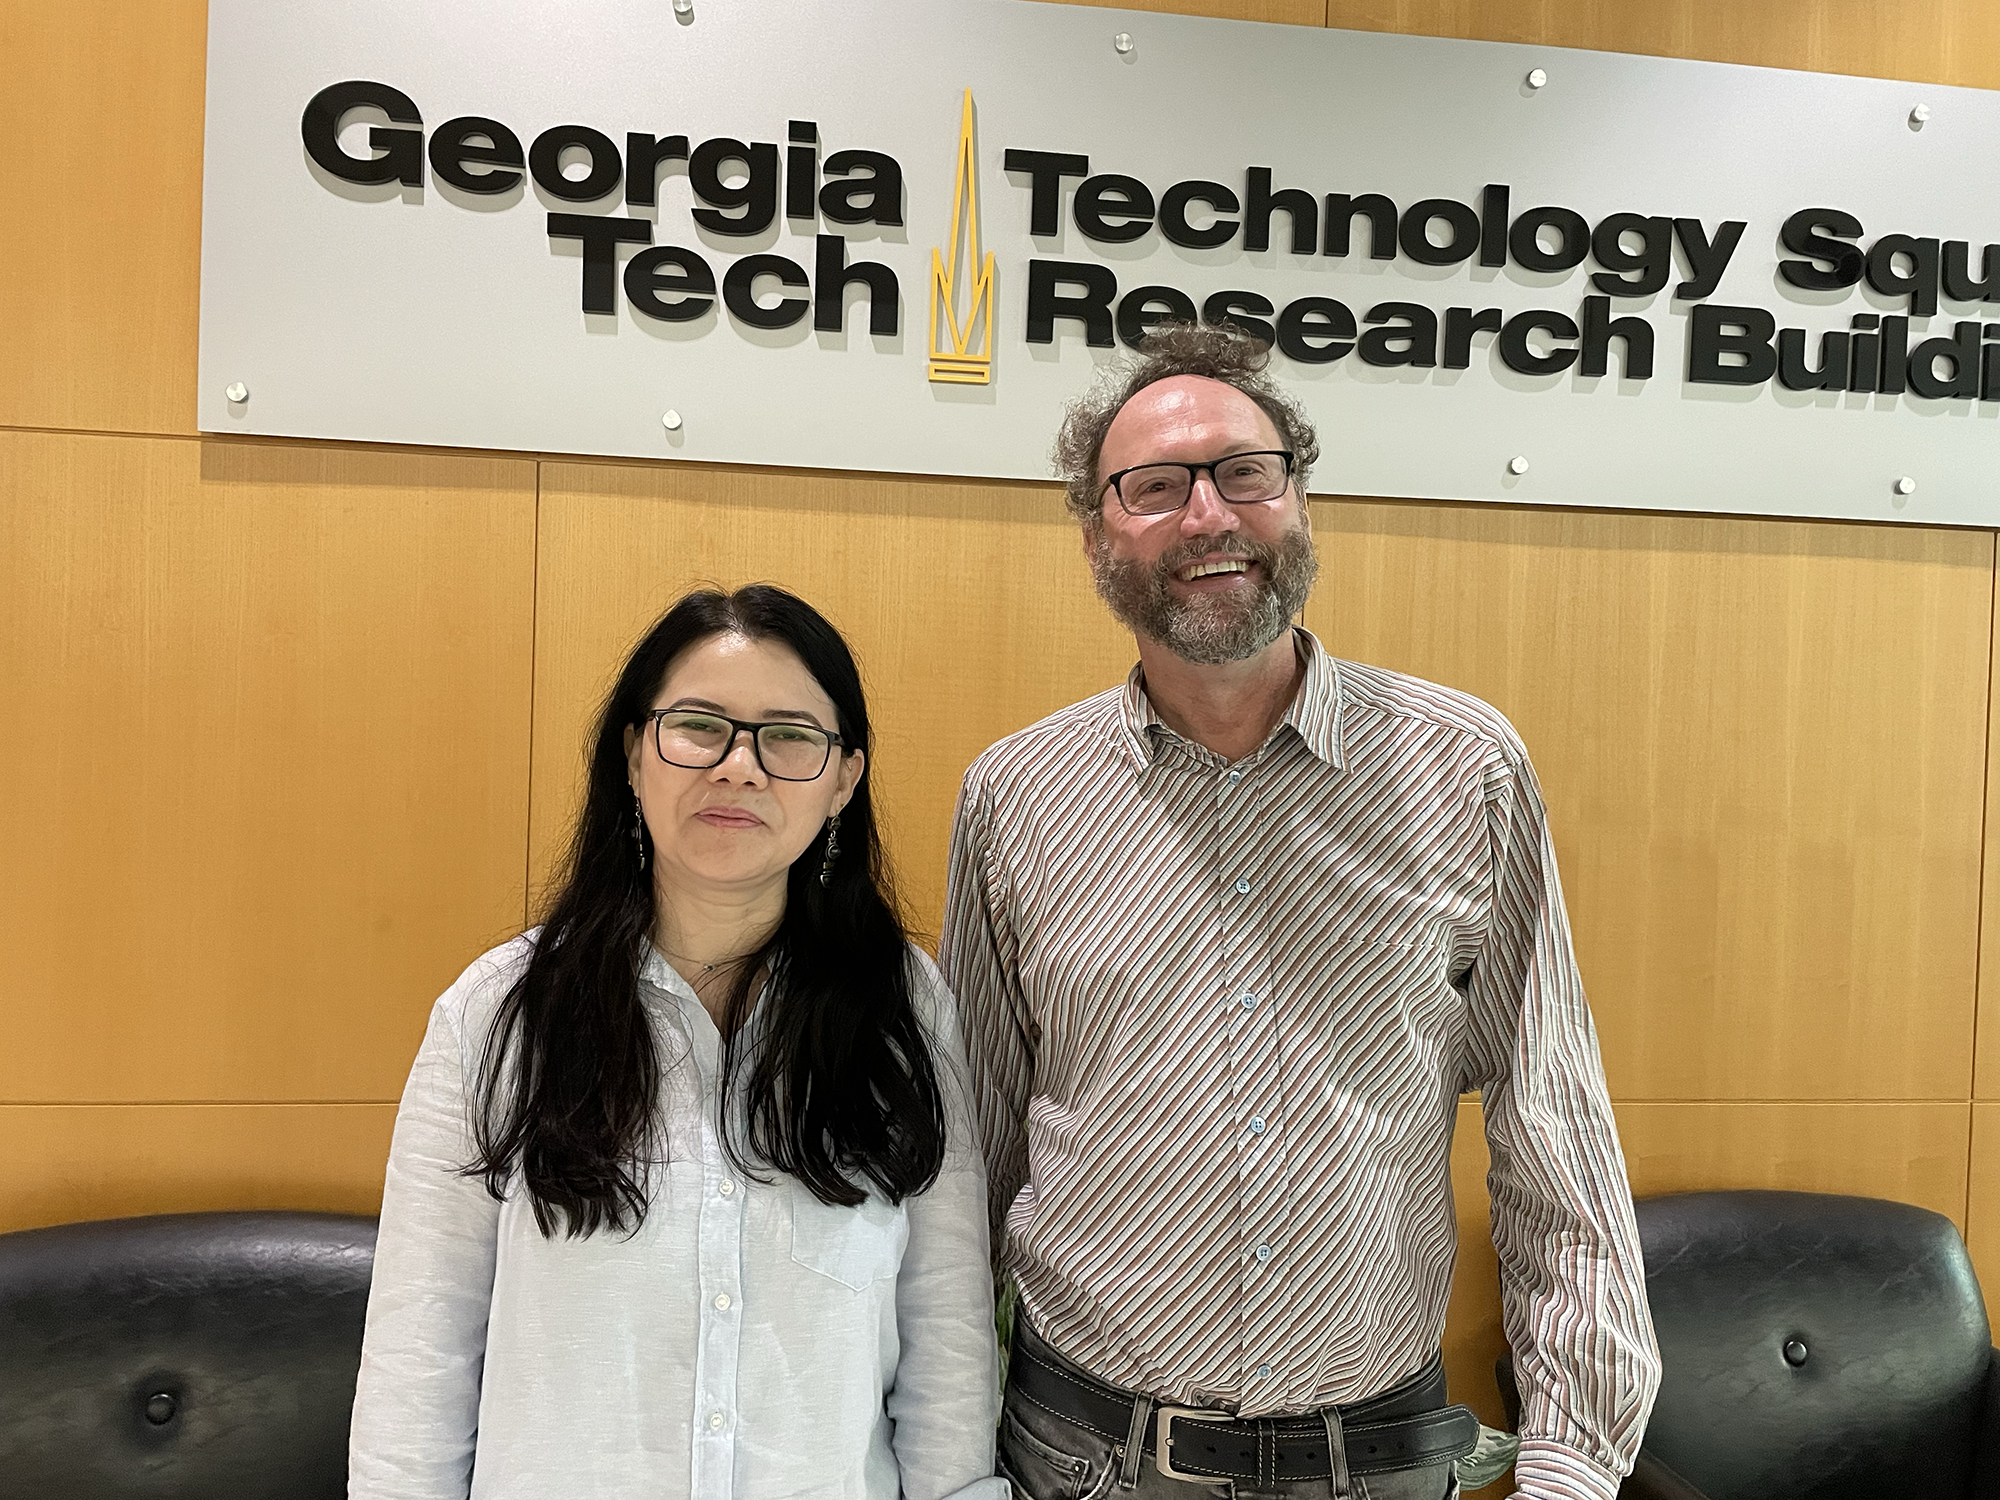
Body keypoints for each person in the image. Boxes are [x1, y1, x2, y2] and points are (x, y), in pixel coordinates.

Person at [942, 325, 1659, 1500]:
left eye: (1245, 471)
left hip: (1374, 1463)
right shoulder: (1012, 796)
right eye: (1153, 487)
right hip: (1082, 1461)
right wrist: (943, 1451)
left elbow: (1551, 1129)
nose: (1208, 516)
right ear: (1093, 537)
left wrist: (1571, 1465)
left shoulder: (1461, 768)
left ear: (1298, 498)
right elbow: (966, 1159)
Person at [349, 585, 1005, 1500]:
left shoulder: (902, 1009)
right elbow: (422, 1357)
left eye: (789, 737)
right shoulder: (499, 1014)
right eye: (699, 726)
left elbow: (946, 1337)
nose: (739, 768)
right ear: (632, 751)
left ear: (844, 780)